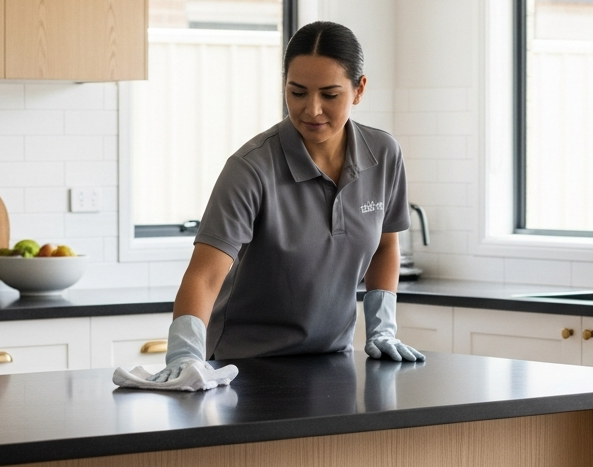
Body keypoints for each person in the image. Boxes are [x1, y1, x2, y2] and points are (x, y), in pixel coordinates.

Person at [151, 21, 424, 383]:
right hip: (244, 365)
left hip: (331, 360)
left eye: (329, 94)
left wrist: (381, 329)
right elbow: (204, 275)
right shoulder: (250, 168)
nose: (312, 110)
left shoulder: (384, 154)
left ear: (359, 90)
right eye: (297, 92)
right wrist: (185, 354)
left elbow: (385, 246)